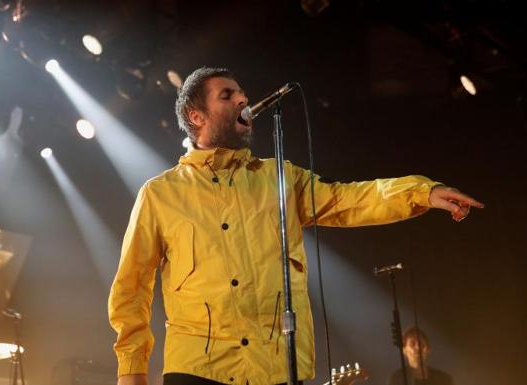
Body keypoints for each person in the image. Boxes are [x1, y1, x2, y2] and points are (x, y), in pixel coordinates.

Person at [108, 67, 483, 385]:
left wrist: (422, 191)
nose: (242, 99)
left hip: (276, 367)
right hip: (198, 370)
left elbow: (348, 199)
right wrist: (132, 372)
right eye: (227, 95)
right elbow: (131, 287)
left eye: (241, 93)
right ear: (196, 116)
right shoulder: (160, 194)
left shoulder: (279, 177)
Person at [387, 327, 454, 385]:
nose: (418, 347)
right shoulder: (397, 379)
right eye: (412, 344)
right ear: (404, 350)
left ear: (428, 348)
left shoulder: (443, 378)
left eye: (421, 343)